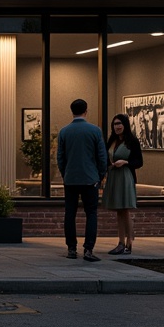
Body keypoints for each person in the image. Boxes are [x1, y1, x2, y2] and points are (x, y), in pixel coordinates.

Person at [56, 98, 108, 262]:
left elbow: (60, 157)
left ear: (72, 111)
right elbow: (102, 156)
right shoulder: (95, 130)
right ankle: (88, 249)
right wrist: (100, 175)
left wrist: (66, 174)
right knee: (91, 213)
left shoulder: (64, 132)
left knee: (69, 213)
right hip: (90, 178)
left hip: (71, 179)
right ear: (86, 111)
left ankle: (72, 248)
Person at [103, 113, 143, 255]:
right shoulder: (111, 142)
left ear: (125, 125)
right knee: (118, 210)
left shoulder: (132, 141)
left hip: (125, 176)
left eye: (119, 123)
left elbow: (139, 162)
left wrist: (126, 162)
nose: (117, 127)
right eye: (115, 124)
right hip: (113, 175)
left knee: (124, 209)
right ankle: (121, 242)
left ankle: (128, 242)